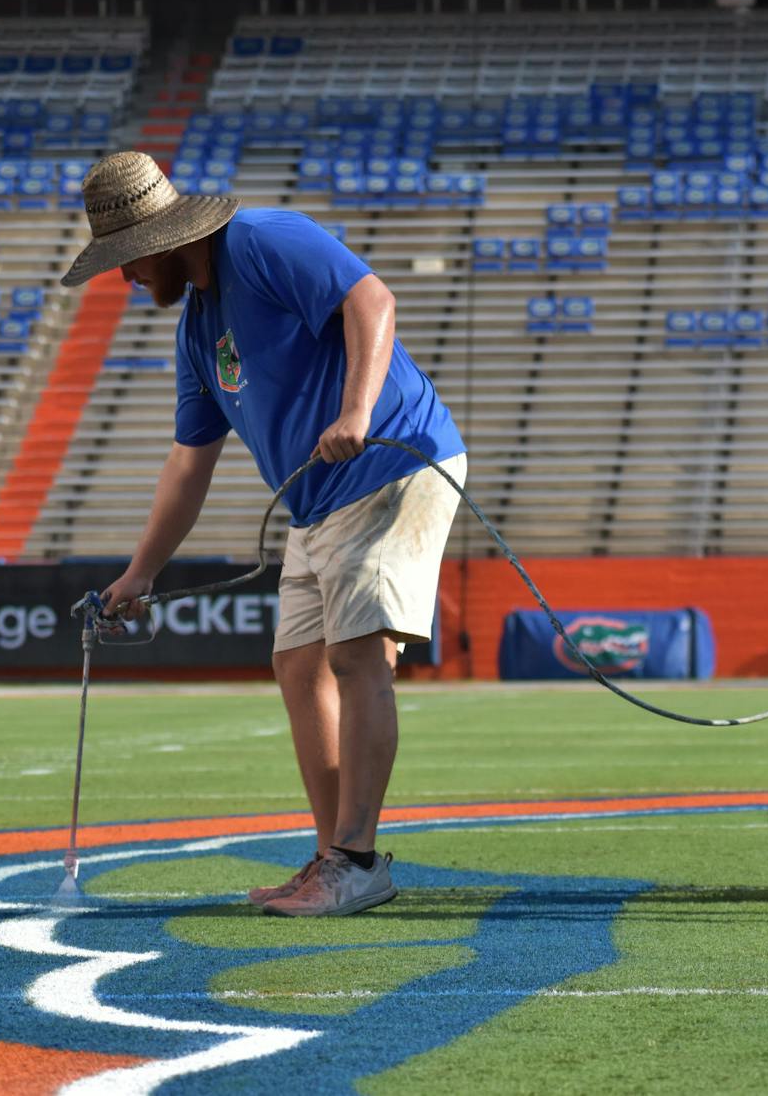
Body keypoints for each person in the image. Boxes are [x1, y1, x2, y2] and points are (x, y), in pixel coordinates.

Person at [61, 151, 467, 917]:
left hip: (392, 462)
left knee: (355, 654)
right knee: (294, 664)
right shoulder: (195, 332)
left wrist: (354, 412)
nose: (127, 281)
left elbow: (372, 302)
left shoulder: (264, 239)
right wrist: (141, 573)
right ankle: (333, 857)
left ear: (158, 243)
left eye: (127, 265)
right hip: (315, 503)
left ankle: (354, 860)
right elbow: (189, 462)